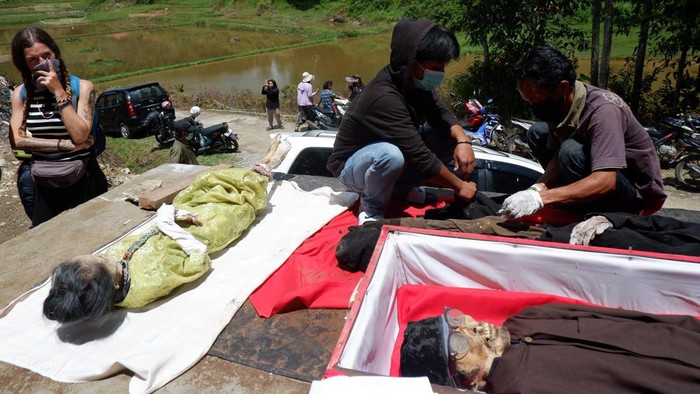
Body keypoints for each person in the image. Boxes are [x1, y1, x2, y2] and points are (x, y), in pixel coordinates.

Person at [42, 138, 290, 323]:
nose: (105, 255)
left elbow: (138, 239)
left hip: (175, 218)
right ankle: (268, 163)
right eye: (102, 260)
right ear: (112, 287)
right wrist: (169, 224)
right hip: (202, 232)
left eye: (98, 255)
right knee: (234, 201)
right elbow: (199, 260)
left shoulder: (104, 274)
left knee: (206, 183)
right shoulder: (147, 286)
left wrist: (171, 216)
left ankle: (265, 160)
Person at [326, 18, 477, 225]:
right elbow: (420, 157)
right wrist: (459, 186)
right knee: (390, 155)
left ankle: (403, 190)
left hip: (389, 154)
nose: (440, 73)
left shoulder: (416, 85)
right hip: (351, 167)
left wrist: (463, 141)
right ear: (411, 61)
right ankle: (371, 210)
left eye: (443, 67)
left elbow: (442, 113)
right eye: (434, 67)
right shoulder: (384, 96)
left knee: (447, 136)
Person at [500, 45, 666, 220]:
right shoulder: (558, 106)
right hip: (592, 169)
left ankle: (598, 210)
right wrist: (535, 190)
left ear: (562, 88)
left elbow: (605, 180)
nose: (534, 107)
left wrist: (541, 199)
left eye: (537, 100)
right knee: (537, 132)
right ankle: (574, 196)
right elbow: (557, 158)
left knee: (570, 150)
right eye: (529, 102)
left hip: (634, 193)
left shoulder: (603, 111)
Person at [400, 303, 700, 393]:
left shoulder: (526, 319)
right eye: (458, 339)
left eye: (458, 319)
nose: (475, 327)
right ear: (460, 376)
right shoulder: (519, 388)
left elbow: (617, 317)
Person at [9, 27, 108, 226]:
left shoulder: (83, 87)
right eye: (32, 60)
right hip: (45, 183)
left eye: (46, 55)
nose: (42, 63)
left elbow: (80, 135)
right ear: (24, 64)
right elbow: (17, 141)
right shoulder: (21, 94)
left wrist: (59, 93)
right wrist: (64, 145)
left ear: (55, 52)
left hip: (84, 179)